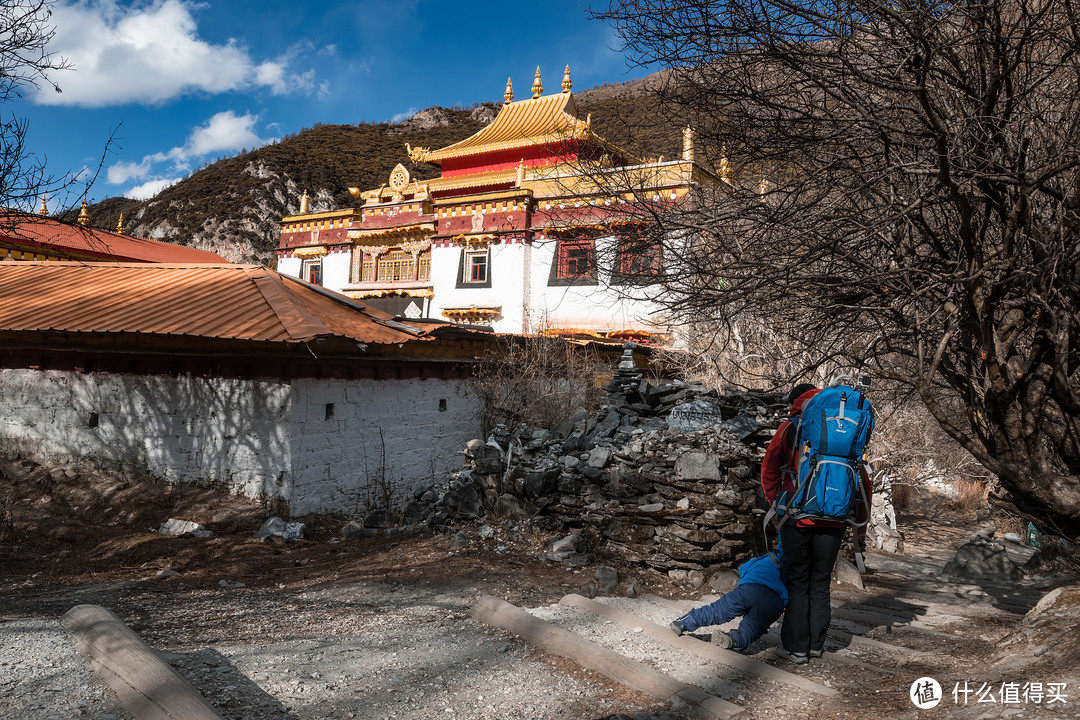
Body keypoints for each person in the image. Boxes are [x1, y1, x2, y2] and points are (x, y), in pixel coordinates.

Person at [761, 383, 871, 663]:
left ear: (795, 401)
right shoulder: (843, 423)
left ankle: (795, 648)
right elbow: (861, 478)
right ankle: (815, 645)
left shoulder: (793, 426)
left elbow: (769, 467)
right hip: (835, 519)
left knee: (798, 583)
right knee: (821, 583)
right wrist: (860, 524)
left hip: (797, 515)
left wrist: (779, 503)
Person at [668, 545, 787, 652]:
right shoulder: (801, 573)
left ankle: (686, 622)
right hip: (775, 602)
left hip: (751, 588)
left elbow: (744, 568)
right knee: (754, 626)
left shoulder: (776, 556)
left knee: (719, 610)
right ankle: (736, 640)